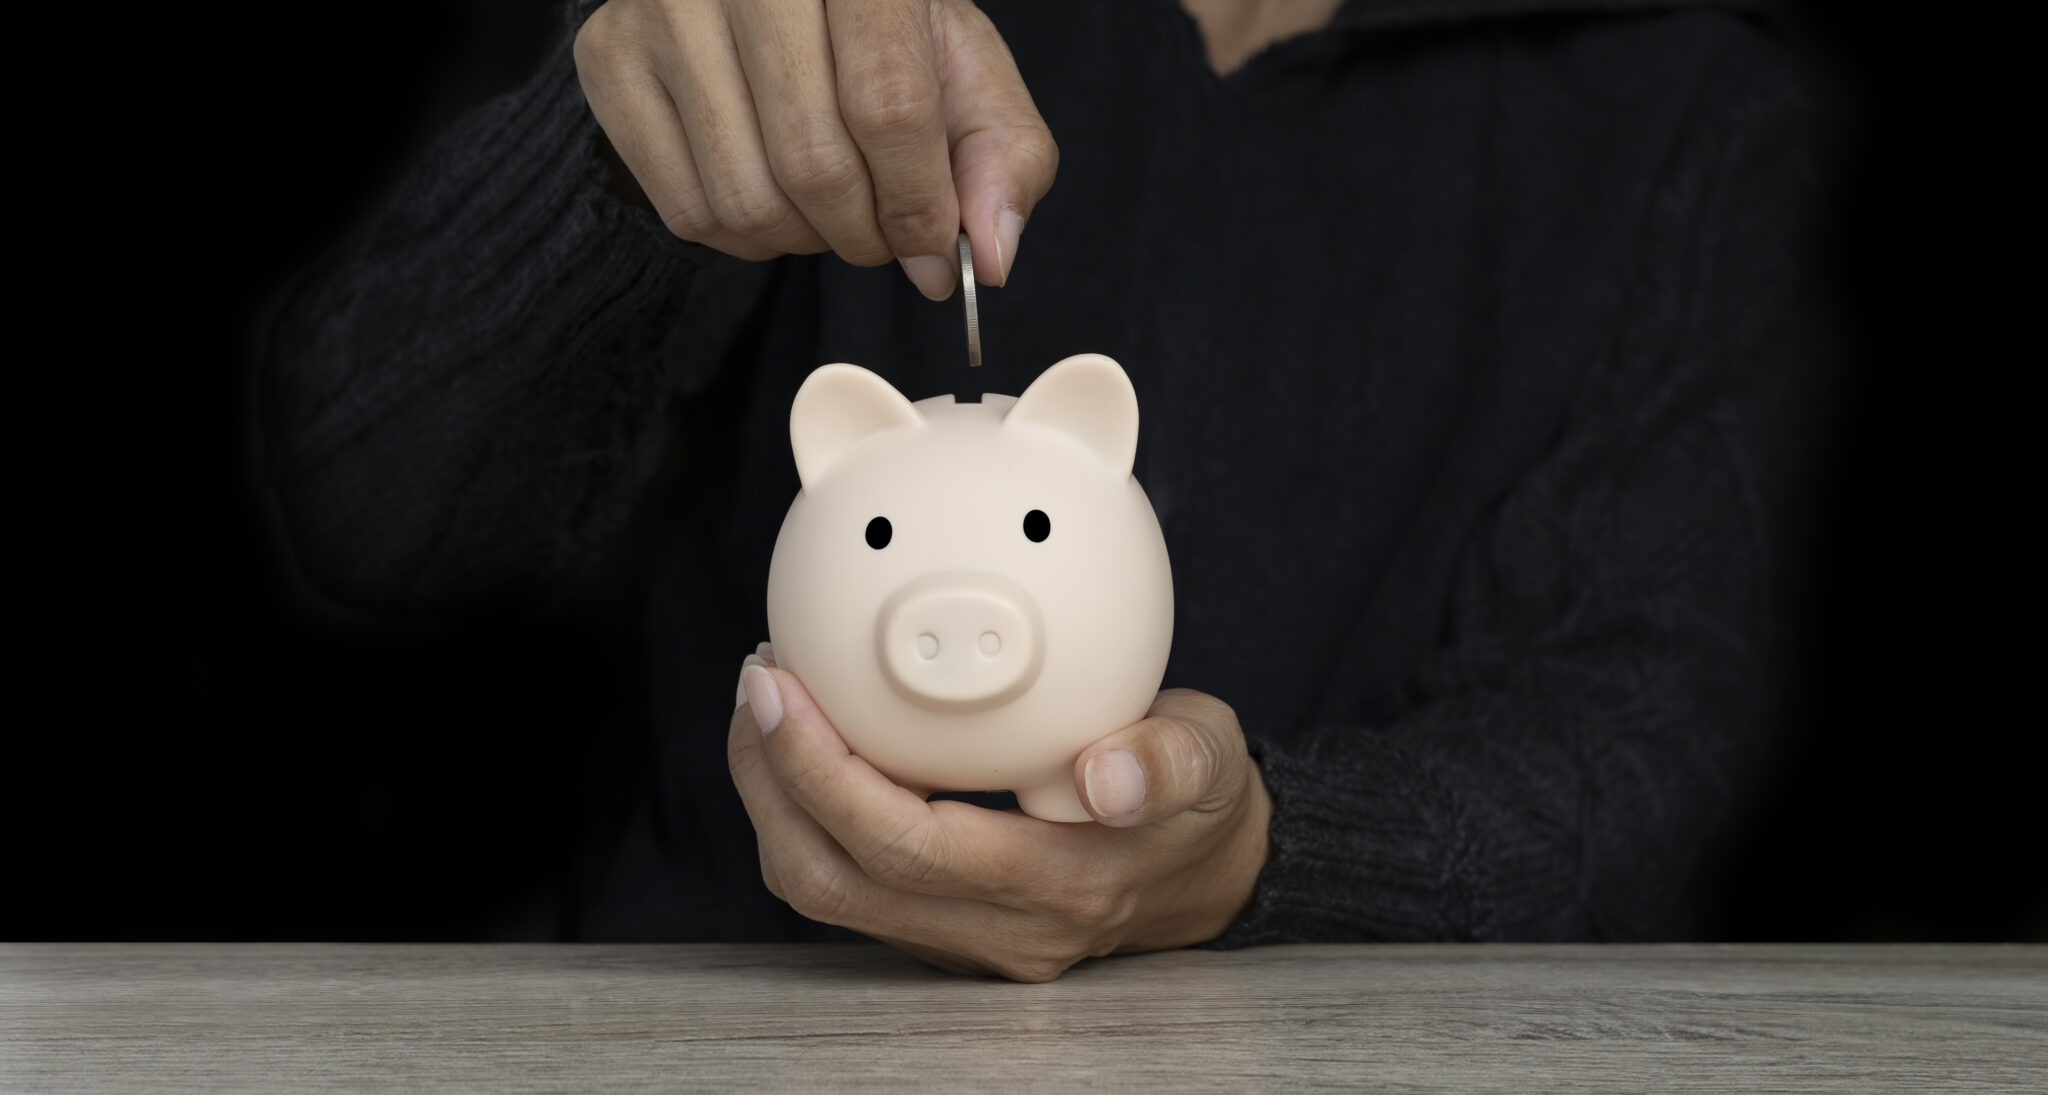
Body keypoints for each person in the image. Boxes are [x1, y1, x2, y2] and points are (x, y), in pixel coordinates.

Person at [260, 0, 1830, 980]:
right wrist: (608, 156)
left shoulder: (1681, 97)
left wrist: (1264, 854)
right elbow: (379, 517)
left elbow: (1644, 740)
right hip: (723, 1075)